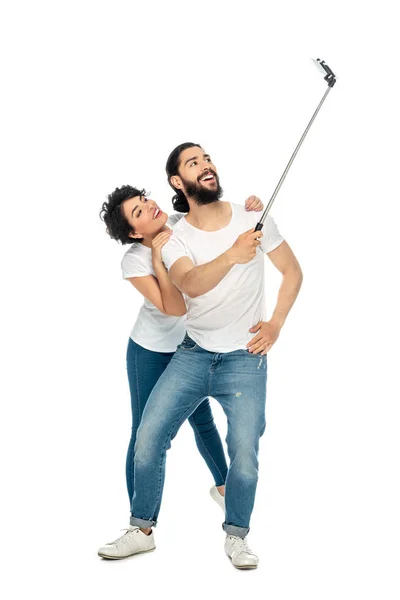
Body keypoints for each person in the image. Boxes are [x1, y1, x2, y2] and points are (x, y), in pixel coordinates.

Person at [98, 185, 265, 559]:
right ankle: (140, 524)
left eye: (144, 201)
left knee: (202, 422)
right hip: (151, 351)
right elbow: (174, 307)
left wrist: (249, 207)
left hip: (194, 348)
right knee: (145, 431)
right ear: (133, 233)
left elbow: (214, 215)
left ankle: (226, 490)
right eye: (138, 213)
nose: (148, 207)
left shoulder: (177, 223)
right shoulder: (135, 260)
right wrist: (159, 260)